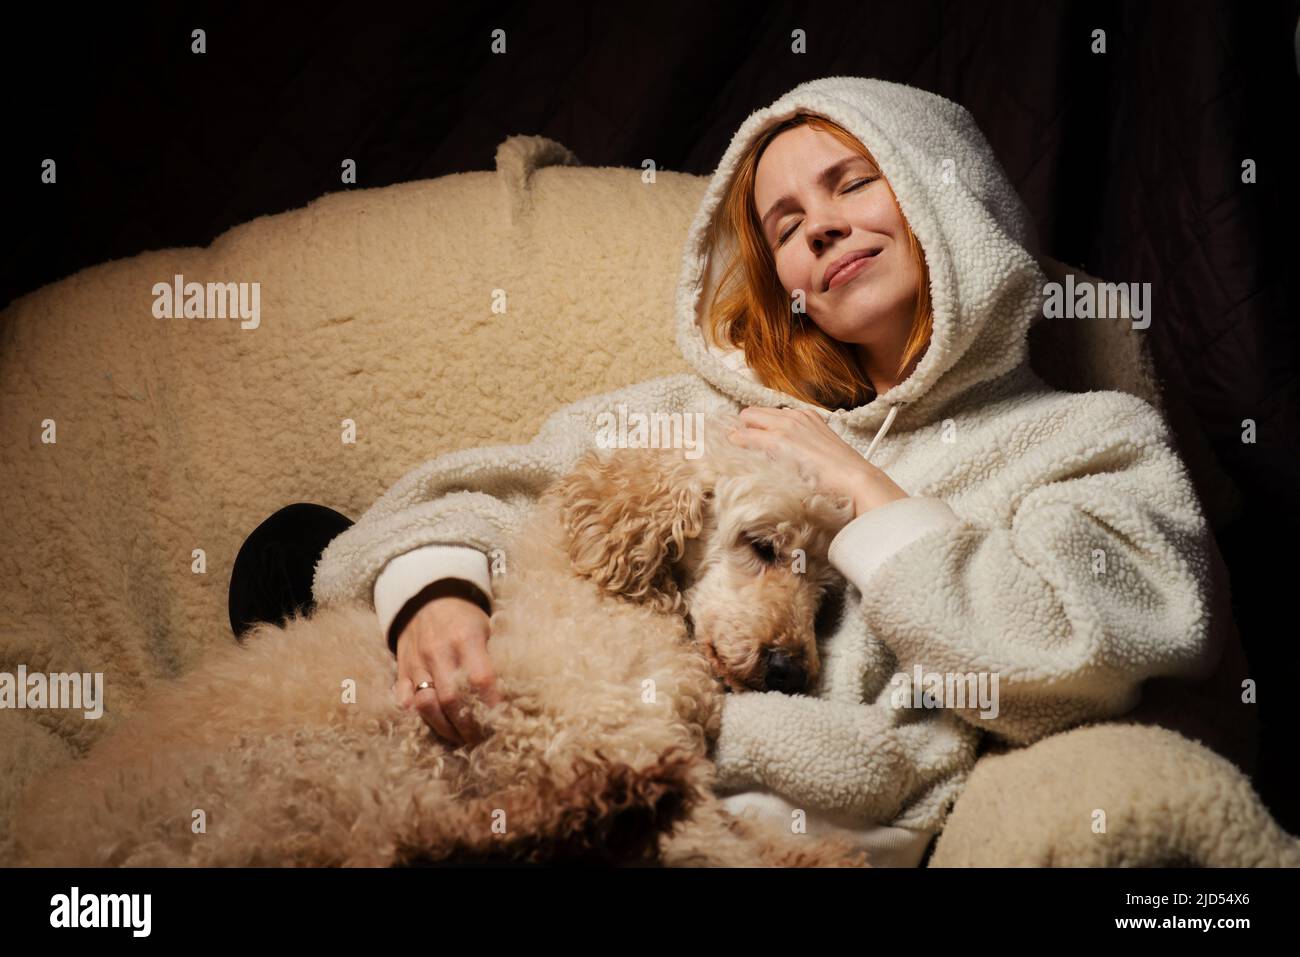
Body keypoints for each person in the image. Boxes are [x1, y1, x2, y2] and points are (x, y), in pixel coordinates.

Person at [236, 77, 1254, 867]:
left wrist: (865, 494)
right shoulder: (715, 416)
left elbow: (1085, 654)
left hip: (757, 799)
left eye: (852, 181)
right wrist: (435, 595)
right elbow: (483, 493)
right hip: (560, 755)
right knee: (322, 554)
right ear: (787, 286)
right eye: (783, 225)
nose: (817, 225)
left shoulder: (1083, 439)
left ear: (950, 192)